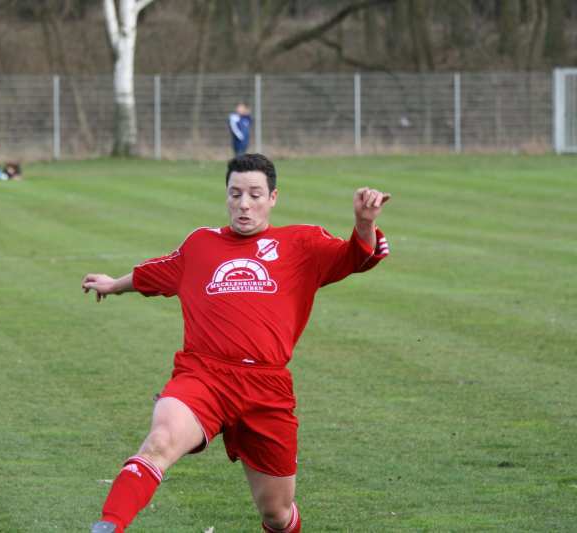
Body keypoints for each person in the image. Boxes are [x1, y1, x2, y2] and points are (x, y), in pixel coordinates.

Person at [82, 153, 391, 533]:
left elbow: (355, 256)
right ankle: (109, 525)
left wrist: (364, 223)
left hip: (267, 388)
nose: (244, 204)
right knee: (160, 441)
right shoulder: (200, 245)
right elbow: (155, 272)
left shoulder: (302, 243)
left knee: (276, 513)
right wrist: (114, 284)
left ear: (273, 197)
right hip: (203, 376)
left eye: (255, 195)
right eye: (235, 194)